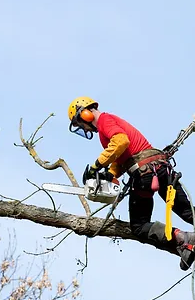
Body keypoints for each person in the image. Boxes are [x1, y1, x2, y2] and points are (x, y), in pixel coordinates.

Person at [68, 96, 195, 271]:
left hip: (145, 174)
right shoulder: (109, 124)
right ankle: (187, 247)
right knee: (187, 211)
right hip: (161, 169)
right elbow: (122, 156)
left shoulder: (104, 120)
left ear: (85, 114)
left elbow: (121, 142)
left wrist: (96, 166)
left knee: (139, 226)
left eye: (79, 123)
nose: (83, 127)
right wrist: (110, 174)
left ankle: (182, 238)